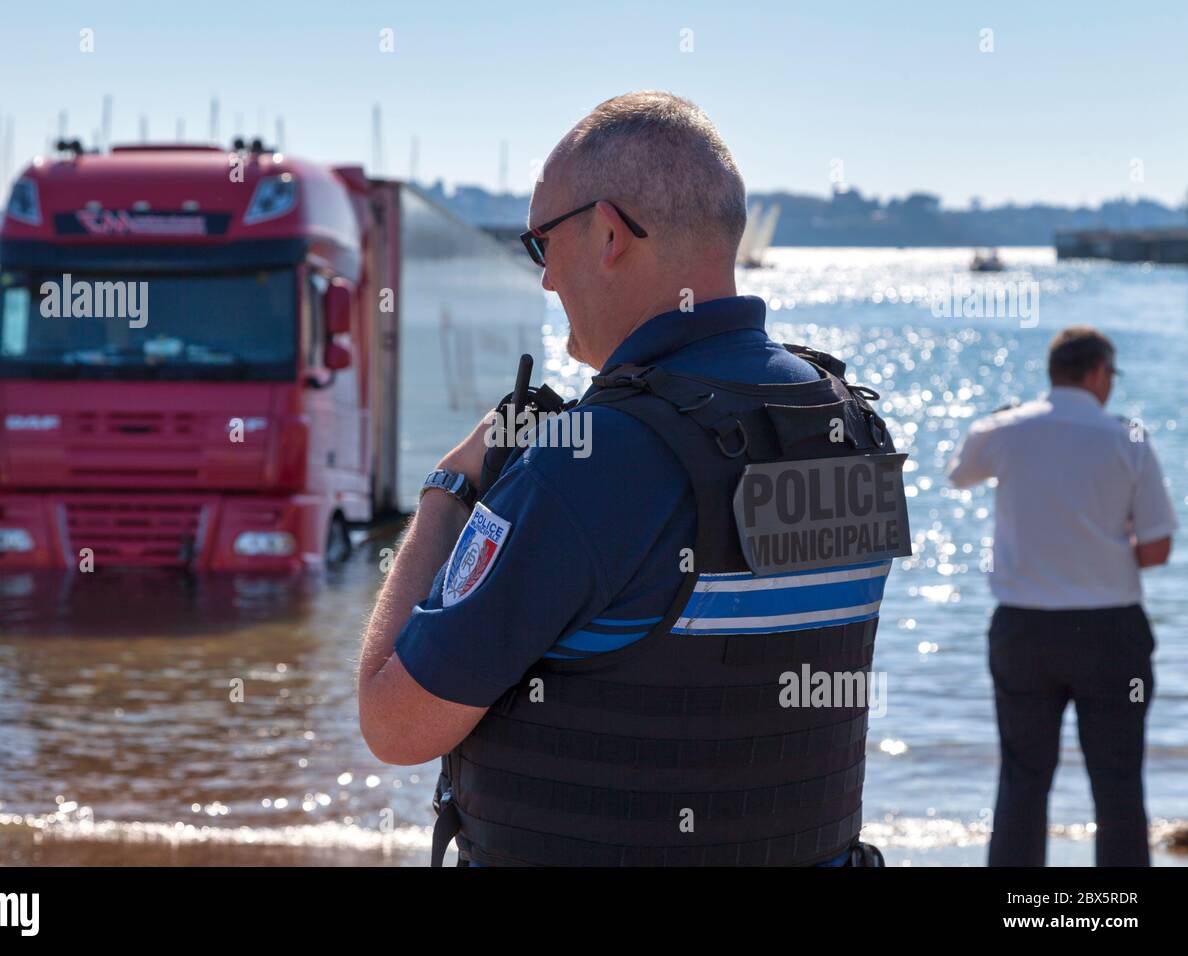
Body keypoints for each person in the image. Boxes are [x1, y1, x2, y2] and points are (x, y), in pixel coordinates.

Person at [358, 91, 905, 866]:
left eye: (543, 242)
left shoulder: (591, 462)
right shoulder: (848, 428)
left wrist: (450, 488)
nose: (546, 282)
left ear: (609, 232)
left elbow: (392, 722)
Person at [947, 326, 1176, 866]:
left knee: (1022, 779)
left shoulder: (1004, 429)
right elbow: (1157, 550)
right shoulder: (1129, 438)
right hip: (1110, 632)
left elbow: (958, 475)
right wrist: (1109, 540)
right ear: (1098, 373)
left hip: (1024, 631)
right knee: (1118, 782)